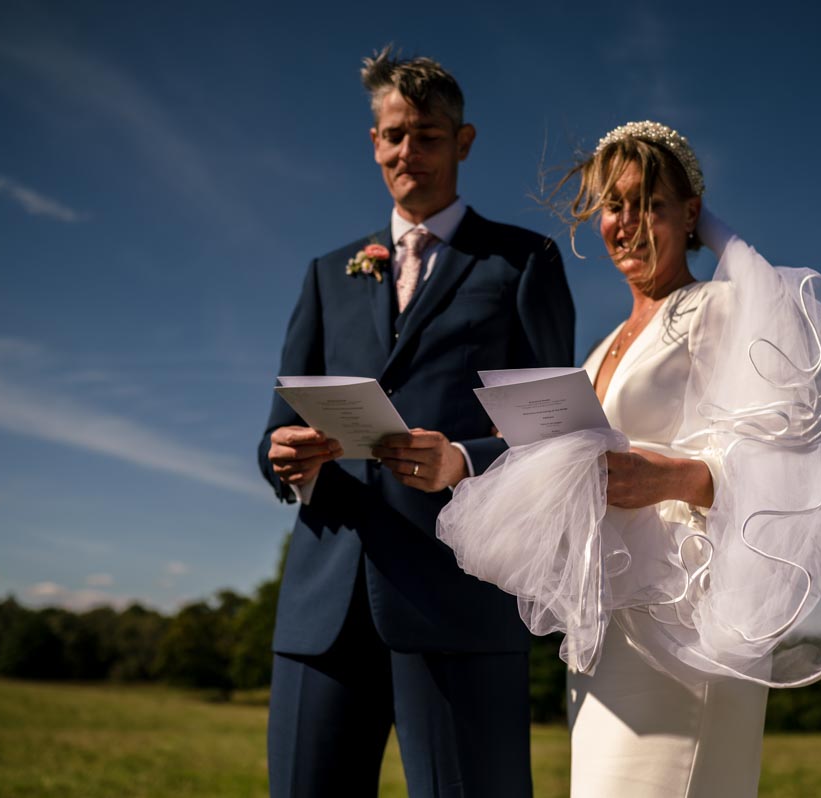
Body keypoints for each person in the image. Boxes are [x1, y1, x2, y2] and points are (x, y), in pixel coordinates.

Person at [438, 121, 821, 797]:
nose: (628, 223)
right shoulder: (604, 343)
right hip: (609, 627)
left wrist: (674, 476)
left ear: (690, 213)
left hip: (687, 628)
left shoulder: (720, 309)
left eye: (650, 204)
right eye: (614, 206)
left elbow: (791, 463)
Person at [258, 47, 575, 798]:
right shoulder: (327, 273)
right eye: (395, 134)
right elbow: (274, 432)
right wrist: (286, 460)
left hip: (457, 600)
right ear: (374, 142)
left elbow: (558, 439)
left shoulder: (523, 261)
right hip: (322, 605)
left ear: (463, 142)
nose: (409, 152)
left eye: (429, 135)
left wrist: (463, 459)